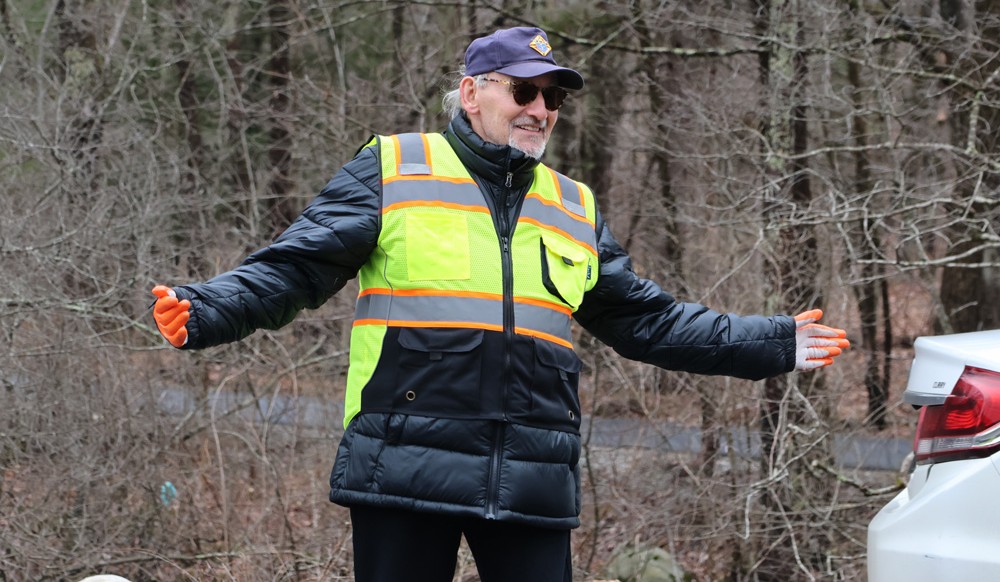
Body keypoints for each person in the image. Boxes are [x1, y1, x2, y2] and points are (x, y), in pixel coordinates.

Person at [150, 26, 850, 582]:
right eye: (524, 91)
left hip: (532, 474)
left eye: (553, 98)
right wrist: (207, 309)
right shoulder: (395, 168)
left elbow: (647, 319)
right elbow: (294, 268)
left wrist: (770, 341)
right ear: (473, 92)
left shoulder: (572, 204)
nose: (540, 110)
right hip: (403, 464)